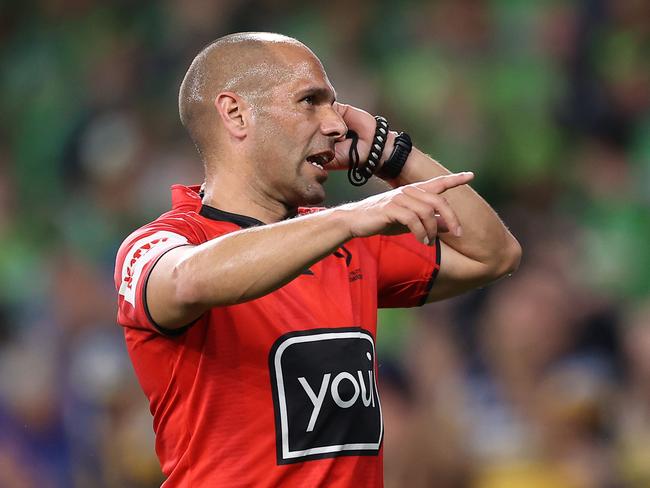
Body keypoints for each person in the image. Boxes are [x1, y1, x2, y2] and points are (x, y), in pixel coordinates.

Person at [114, 32, 521, 487]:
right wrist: (350, 218)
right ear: (236, 113)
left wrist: (393, 155)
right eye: (310, 101)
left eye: (334, 106)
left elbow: (494, 254)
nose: (336, 125)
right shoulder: (160, 242)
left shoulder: (345, 238)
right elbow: (188, 281)